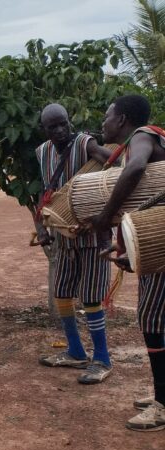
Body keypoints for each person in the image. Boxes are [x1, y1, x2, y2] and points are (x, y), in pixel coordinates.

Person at [93, 94, 165, 430]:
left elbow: (135, 168)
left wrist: (105, 216)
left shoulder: (141, 136)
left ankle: (162, 405)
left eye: (107, 116)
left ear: (121, 119)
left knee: (153, 321)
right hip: (156, 237)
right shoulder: (153, 138)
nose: (103, 122)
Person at [35, 104, 113, 384]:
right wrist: (42, 227)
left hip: (92, 235)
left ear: (69, 122)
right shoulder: (42, 152)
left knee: (91, 297)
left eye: (63, 124)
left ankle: (102, 359)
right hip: (63, 234)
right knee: (62, 293)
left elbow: (114, 162)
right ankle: (76, 351)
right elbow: (46, 191)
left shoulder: (84, 143)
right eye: (53, 127)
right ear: (44, 129)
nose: (60, 130)